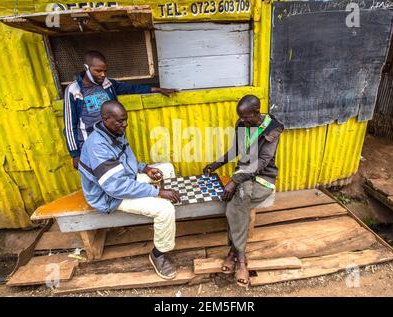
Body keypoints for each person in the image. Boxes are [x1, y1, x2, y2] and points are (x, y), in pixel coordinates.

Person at [78, 100, 180, 280]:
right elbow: (116, 187)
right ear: (105, 119)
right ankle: (158, 254)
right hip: (109, 196)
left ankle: (166, 222)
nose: (124, 125)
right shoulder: (97, 146)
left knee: (167, 169)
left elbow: (126, 162)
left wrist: (145, 168)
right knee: (165, 208)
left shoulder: (114, 131)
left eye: (125, 120)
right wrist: (157, 193)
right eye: (119, 121)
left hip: (124, 181)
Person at [203, 95, 284, 287]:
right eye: (240, 117)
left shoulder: (273, 128)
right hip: (243, 176)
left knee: (237, 200)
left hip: (263, 178)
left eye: (246, 117)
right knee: (238, 200)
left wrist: (234, 180)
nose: (242, 121)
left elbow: (262, 162)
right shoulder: (242, 124)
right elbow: (236, 149)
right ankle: (238, 256)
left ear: (256, 112)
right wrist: (215, 164)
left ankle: (237, 257)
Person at [64, 50, 177, 169]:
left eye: (105, 71)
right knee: (101, 177)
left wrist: (156, 89)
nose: (103, 74)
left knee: (119, 172)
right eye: (98, 71)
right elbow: (69, 124)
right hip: (90, 144)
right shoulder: (73, 90)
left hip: (113, 139)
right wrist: (75, 154)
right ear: (86, 68)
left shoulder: (107, 84)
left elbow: (131, 88)